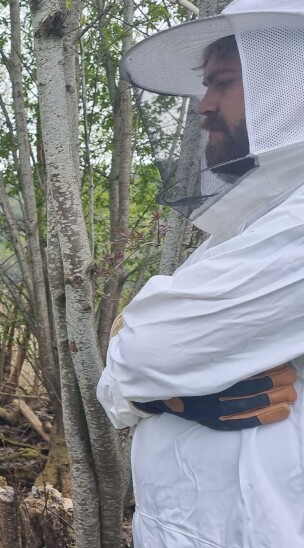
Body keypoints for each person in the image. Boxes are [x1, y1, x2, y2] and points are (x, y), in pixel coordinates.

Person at [96, 0, 304, 545]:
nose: (203, 106)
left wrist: (150, 384)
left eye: (224, 83)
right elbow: (117, 378)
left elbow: (143, 351)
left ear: (290, 83)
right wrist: (172, 396)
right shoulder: (250, 222)